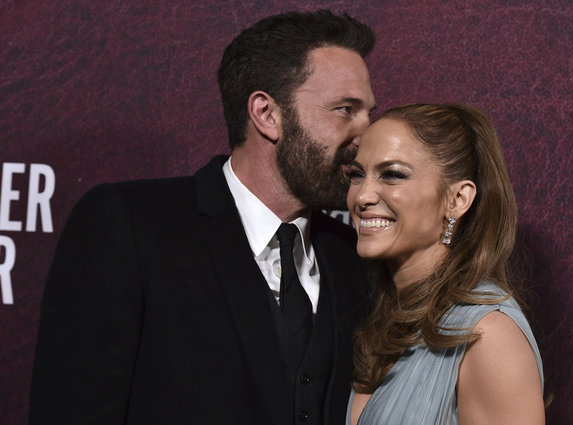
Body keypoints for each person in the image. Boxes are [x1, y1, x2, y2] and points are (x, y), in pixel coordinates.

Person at [29, 10, 376, 425]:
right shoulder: (132, 225)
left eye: (368, 113)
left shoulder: (353, 256)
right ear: (267, 114)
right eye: (345, 109)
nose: (367, 135)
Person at [345, 104, 545, 425]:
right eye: (357, 175)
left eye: (392, 174)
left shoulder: (488, 336)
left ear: (458, 199)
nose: (362, 196)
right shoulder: (389, 317)